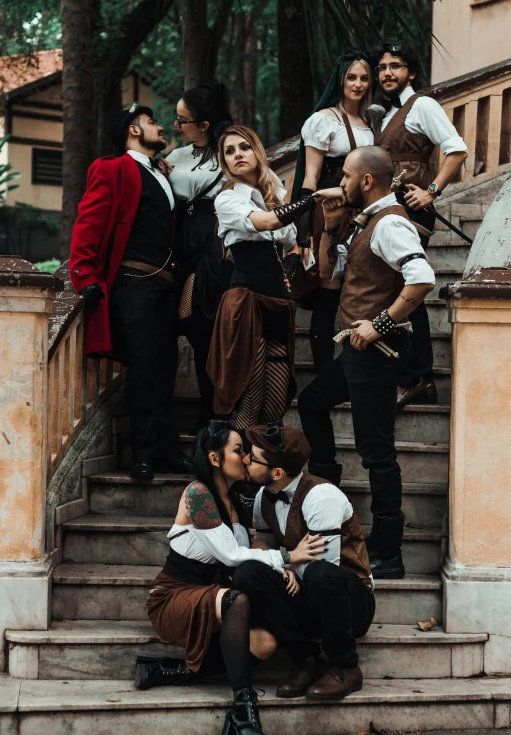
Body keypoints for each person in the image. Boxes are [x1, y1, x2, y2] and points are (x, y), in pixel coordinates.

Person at [297, 145, 436, 579]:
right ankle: (326, 494)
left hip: (377, 353)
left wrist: (378, 324)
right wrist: (330, 228)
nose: (340, 185)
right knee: (313, 403)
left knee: (376, 451)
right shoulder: (365, 223)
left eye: (345, 179)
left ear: (367, 181)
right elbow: (328, 277)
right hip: (356, 353)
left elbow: (423, 278)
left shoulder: (391, 222)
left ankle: (388, 551)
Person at [143, 421, 325, 735]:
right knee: (235, 598)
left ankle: (177, 671)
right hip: (174, 598)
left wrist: (279, 569)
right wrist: (286, 556)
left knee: (266, 644)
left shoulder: (235, 503)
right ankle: (243, 708)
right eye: (238, 451)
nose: (245, 458)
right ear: (215, 459)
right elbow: (229, 556)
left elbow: (248, 547)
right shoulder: (198, 494)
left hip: (214, 597)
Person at [69, 104, 189, 481]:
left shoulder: (159, 171)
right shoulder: (112, 168)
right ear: (134, 131)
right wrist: (84, 275)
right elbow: (88, 224)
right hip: (133, 284)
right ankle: (143, 455)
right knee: (144, 366)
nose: (160, 127)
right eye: (152, 122)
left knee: (165, 366)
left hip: (165, 285)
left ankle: (166, 451)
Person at [230, 423, 374, 702]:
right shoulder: (264, 494)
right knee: (248, 572)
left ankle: (346, 667)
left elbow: (323, 565)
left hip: (349, 605)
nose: (246, 459)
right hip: (306, 599)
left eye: (253, 456)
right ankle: (307, 660)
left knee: (320, 574)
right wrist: (282, 565)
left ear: (278, 472)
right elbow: (262, 544)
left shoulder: (321, 497)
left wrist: (286, 565)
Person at [372, 41, 468, 408]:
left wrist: (432, 191)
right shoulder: (381, 112)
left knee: (409, 287)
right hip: (386, 208)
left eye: (395, 66)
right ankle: (408, 376)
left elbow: (457, 148)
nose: (387, 73)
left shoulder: (422, 104)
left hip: (412, 208)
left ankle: (419, 378)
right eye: (382, 68)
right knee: (393, 289)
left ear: (411, 72)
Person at [207, 125, 316, 429]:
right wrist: (310, 199)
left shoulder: (278, 193)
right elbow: (267, 222)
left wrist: (291, 273)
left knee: (277, 404)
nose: (237, 155)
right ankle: (240, 475)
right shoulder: (227, 199)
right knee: (250, 399)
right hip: (246, 302)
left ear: (257, 151)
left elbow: (293, 243)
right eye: (229, 151)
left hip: (278, 303)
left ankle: (266, 472)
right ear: (225, 162)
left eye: (243, 147)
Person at [290, 50, 374, 375]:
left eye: (364, 77)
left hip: (365, 213)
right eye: (351, 76)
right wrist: (303, 227)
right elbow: (309, 176)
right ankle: (326, 373)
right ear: (340, 79)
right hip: (332, 211)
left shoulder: (371, 121)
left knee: (358, 287)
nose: (358, 83)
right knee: (329, 289)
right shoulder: (325, 119)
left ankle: (354, 368)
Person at [167, 81, 233, 428]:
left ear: (203, 125)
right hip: (181, 245)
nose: (176, 126)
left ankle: (214, 412)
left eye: (183, 121)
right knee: (191, 326)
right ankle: (210, 411)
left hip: (213, 246)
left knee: (200, 323)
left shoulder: (230, 153)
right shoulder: (175, 158)